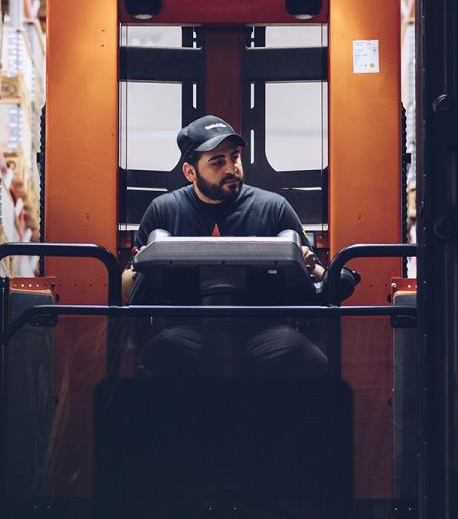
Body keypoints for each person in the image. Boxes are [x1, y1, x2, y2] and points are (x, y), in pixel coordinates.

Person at [123, 115, 329, 377]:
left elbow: (320, 278)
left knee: (317, 365)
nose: (232, 168)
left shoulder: (274, 207)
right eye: (218, 162)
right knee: (154, 361)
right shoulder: (163, 210)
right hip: (186, 328)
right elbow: (126, 291)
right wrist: (143, 266)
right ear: (190, 172)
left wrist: (307, 265)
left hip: (263, 328)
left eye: (235, 157)